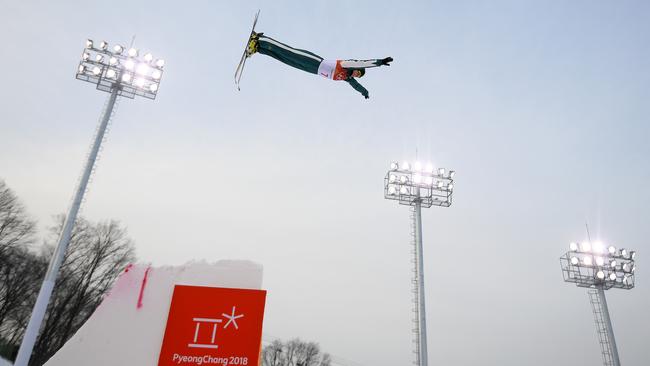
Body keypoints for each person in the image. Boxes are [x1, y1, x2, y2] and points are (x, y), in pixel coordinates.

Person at [246, 32, 392, 99]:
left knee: (287, 60)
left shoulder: (347, 78)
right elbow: (363, 63)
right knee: (289, 52)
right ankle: (261, 39)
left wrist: (364, 93)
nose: (355, 75)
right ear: (356, 69)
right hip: (316, 61)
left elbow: (356, 86)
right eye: (357, 72)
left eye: (358, 76)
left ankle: (258, 47)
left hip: (313, 70)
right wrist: (379, 62)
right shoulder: (348, 65)